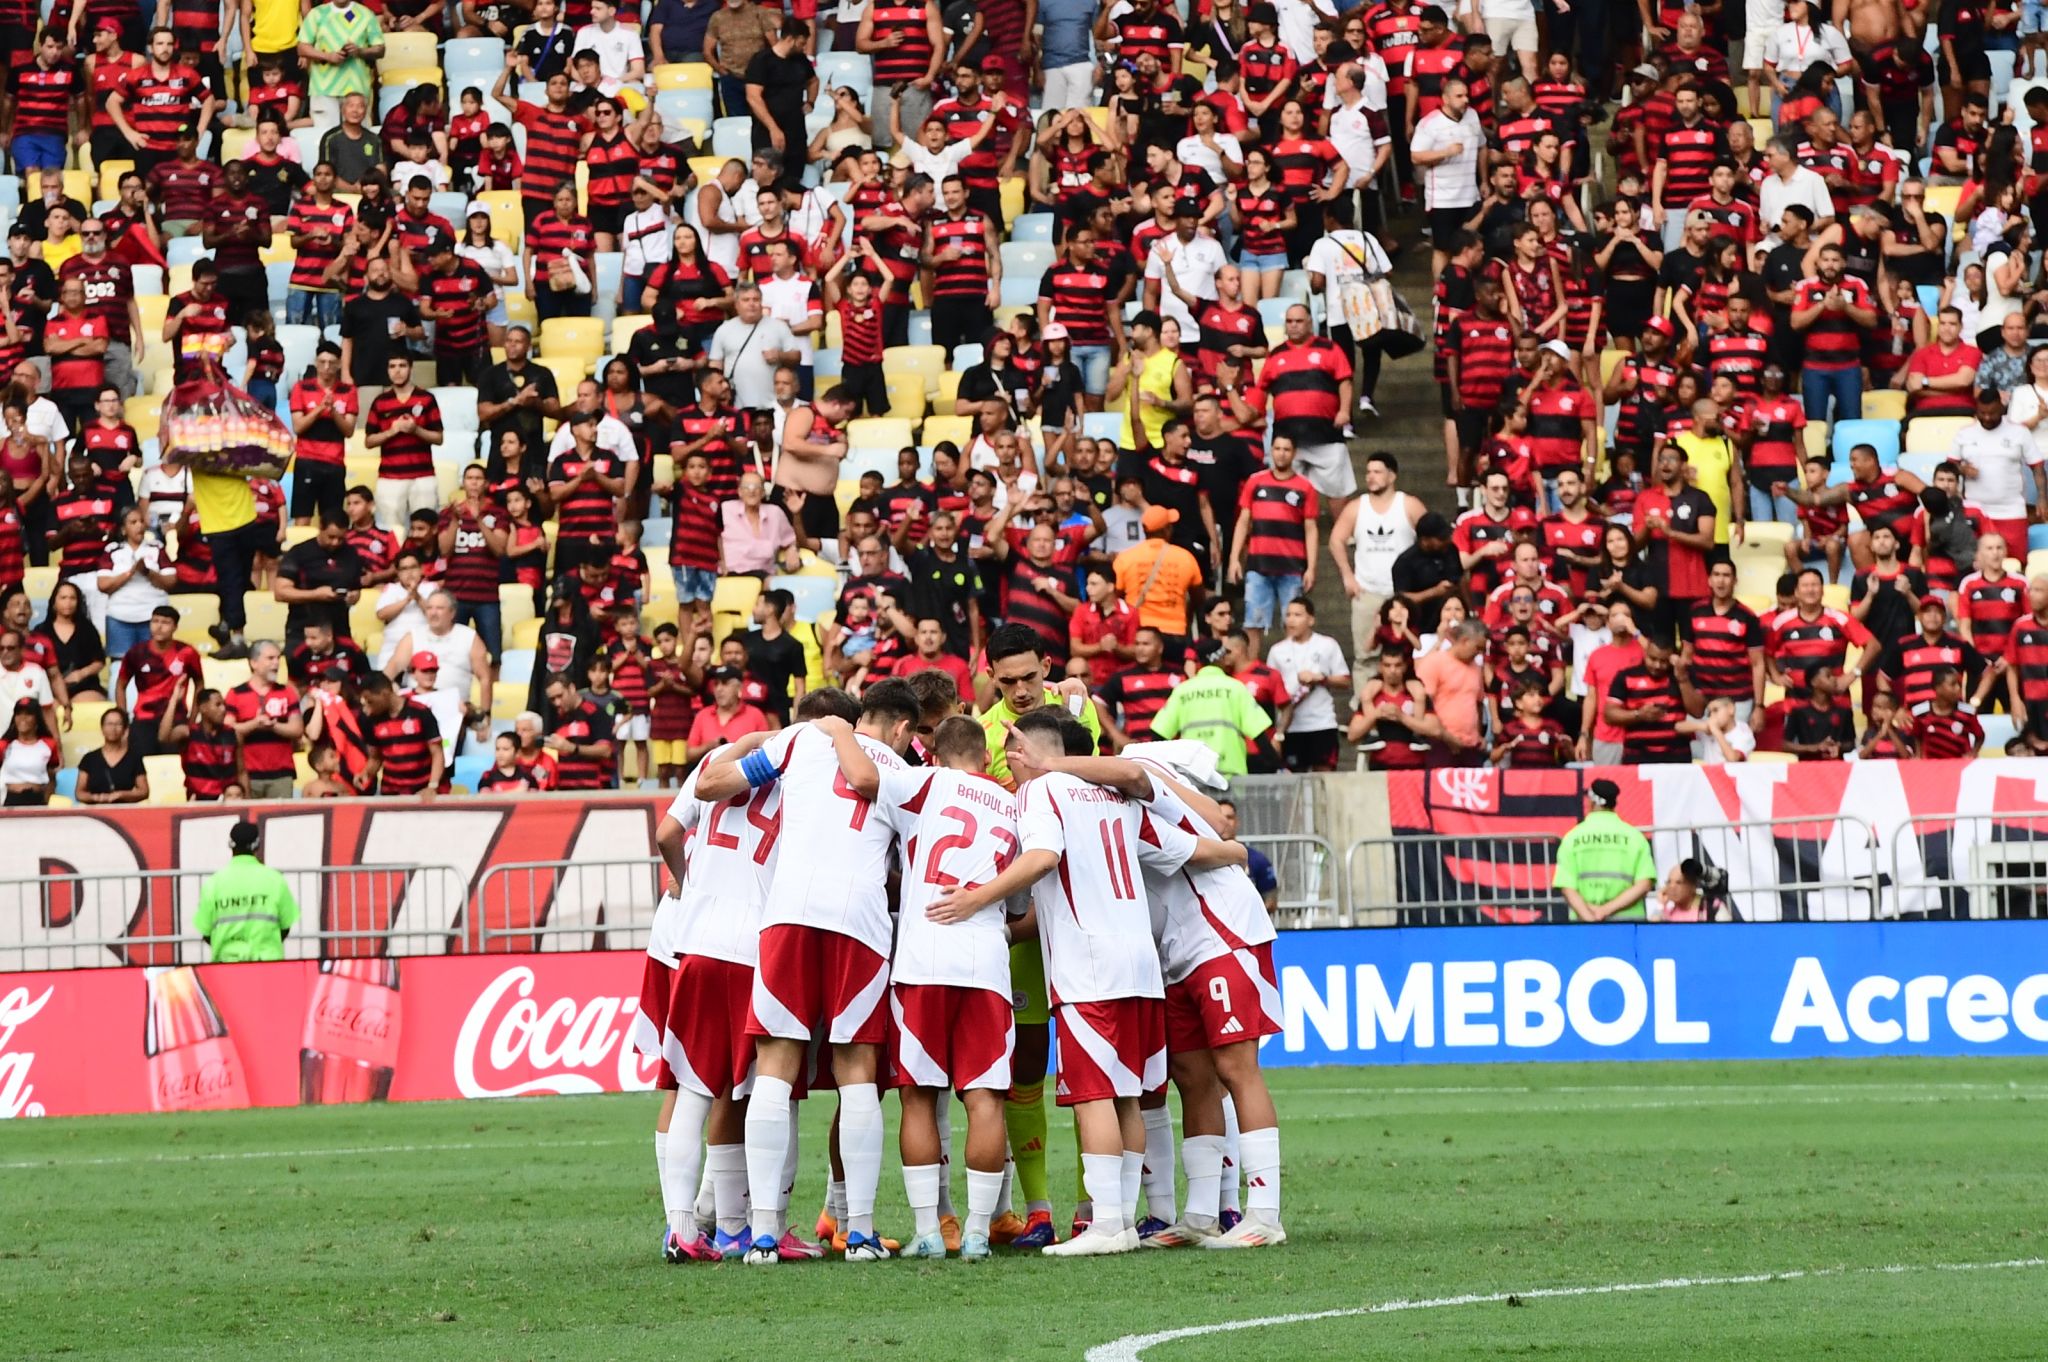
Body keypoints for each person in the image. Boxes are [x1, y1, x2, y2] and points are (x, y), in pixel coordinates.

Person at [1551, 778, 1658, 922]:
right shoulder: (1635, 838)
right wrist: (1605, 910)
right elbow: (1644, 884)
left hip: (1584, 925)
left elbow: (1567, 887)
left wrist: (1591, 917)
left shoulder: (1572, 838)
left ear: (1591, 801)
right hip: (1628, 925)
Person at [193, 820, 301, 961]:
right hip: (268, 963)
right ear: (257, 845)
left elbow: (205, 932)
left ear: (230, 845)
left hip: (226, 965)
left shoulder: (213, 883)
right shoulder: (275, 880)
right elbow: (286, 927)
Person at [75, 706, 150, 805]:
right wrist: (97, 798)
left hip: (125, 811)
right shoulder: (89, 759)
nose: (113, 728)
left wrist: (121, 795)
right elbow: (79, 793)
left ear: (125, 729)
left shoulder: (134, 758)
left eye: (118, 724)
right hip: (95, 811)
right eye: (109, 724)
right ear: (102, 728)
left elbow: (144, 791)